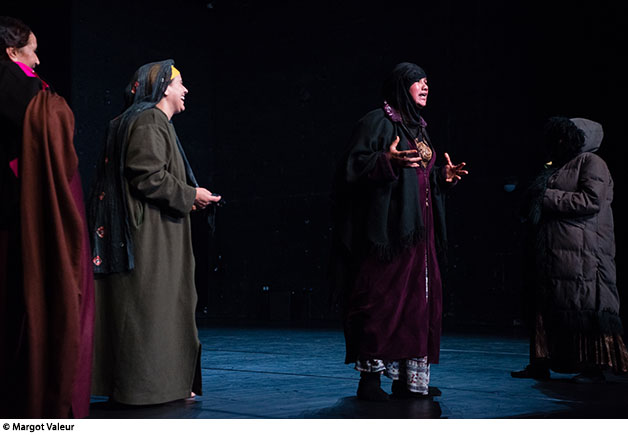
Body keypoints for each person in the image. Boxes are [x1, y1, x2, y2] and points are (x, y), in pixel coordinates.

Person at [331, 62, 467, 400]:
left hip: (419, 235)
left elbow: (419, 176)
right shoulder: (378, 121)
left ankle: (408, 380)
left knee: (418, 305)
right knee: (383, 303)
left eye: (427, 81)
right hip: (389, 235)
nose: (425, 86)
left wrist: (441, 177)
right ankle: (370, 381)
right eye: (417, 81)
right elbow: (350, 168)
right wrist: (385, 162)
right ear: (400, 86)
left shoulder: (418, 128)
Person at [88, 60, 221, 405]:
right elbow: (148, 176)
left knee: (145, 310)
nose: (185, 90)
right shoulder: (149, 119)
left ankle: (157, 384)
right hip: (150, 234)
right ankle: (151, 387)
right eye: (179, 83)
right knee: (153, 310)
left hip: (141, 230)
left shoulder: (131, 120)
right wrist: (192, 195)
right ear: (163, 87)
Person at [0, 16, 94, 418]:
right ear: (11, 52)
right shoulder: (16, 85)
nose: (37, 60)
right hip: (16, 216)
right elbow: (50, 123)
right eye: (32, 51)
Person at [512, 117, 628, 382]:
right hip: (555, 250)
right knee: (547, 306)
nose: (559, 142)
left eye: (565, 137)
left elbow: (591, 200)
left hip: (583, 252)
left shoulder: (591, 162)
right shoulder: (557, 166)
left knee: (582, 306)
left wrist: (545, 198)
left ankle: (593, 368)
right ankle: (540, 363)